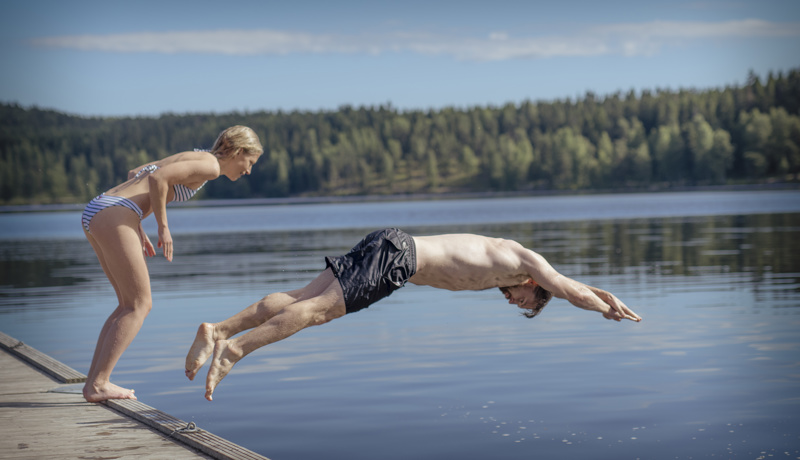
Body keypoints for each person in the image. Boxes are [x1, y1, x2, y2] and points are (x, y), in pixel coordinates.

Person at [185, 228, 642, 401]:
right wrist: (606, 308)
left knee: (301, 296)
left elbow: (568, 283)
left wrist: (597, 290)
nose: (513, 304)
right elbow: (565, 287)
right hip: (399, 258)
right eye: (525, 304)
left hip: (389, 243)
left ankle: (218, 329)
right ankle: (234, 350)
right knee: (318, 312)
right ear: (533, 288)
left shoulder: (513, 269)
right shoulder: (525, 262)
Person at [81, 125, 263, 402]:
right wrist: (162, 227)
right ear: (238, 152)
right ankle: (99, 384)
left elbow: (135, 175)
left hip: (101, 208)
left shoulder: (195, 155)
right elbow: (158, 179)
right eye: (249, 163)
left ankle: (94, 382)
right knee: (139, 305)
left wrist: (136, 225)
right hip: (116, 213)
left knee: (126, 305)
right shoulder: (211, 166)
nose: (249, 171)